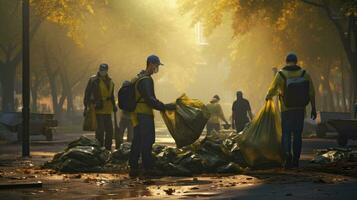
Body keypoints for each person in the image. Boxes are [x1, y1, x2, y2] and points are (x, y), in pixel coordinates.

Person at [266, 53, 316, 169]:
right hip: (300, 109)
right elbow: (311, 92)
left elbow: (272, 90)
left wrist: (268, 98)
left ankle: (287, 155)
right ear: (296, 61)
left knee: (286, 134)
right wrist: (313, 108)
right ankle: (296, 159)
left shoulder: (281, 75)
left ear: (286, 61)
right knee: (298, 134)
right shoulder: (304, 74)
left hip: (286, 110)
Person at [129, 55, 175, 177]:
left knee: (138, 140)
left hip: (137, 113)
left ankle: (133, 167)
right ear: (150, 64)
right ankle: (148, 168)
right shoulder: (146, 80)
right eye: (156, 65)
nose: (157, 68)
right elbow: (150, 99)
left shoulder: (140, 77)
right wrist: (165, 106)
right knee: (147, 140)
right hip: (144, 114)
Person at [84, 63, 117, 150]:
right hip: (98, 109)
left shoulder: (110, 81)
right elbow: (87, 93)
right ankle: (99, 149)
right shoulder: (93, 80)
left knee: (110, 131)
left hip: (108, 109)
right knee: (100, 131)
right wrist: (87, 106)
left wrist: (114, 105)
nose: (103, 71)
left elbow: (112, 95)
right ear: (99, 70)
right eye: (101, 70)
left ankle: (108, 149)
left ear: (107, 71)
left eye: (104, 70)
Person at [116, 81, 134, 146]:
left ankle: (118, 147)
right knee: (130, 134)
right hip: (132, 116)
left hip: (123, 115)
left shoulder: (121, 91)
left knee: (120, 132)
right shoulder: (133, 91)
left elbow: (119, 105)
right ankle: (128, 148)